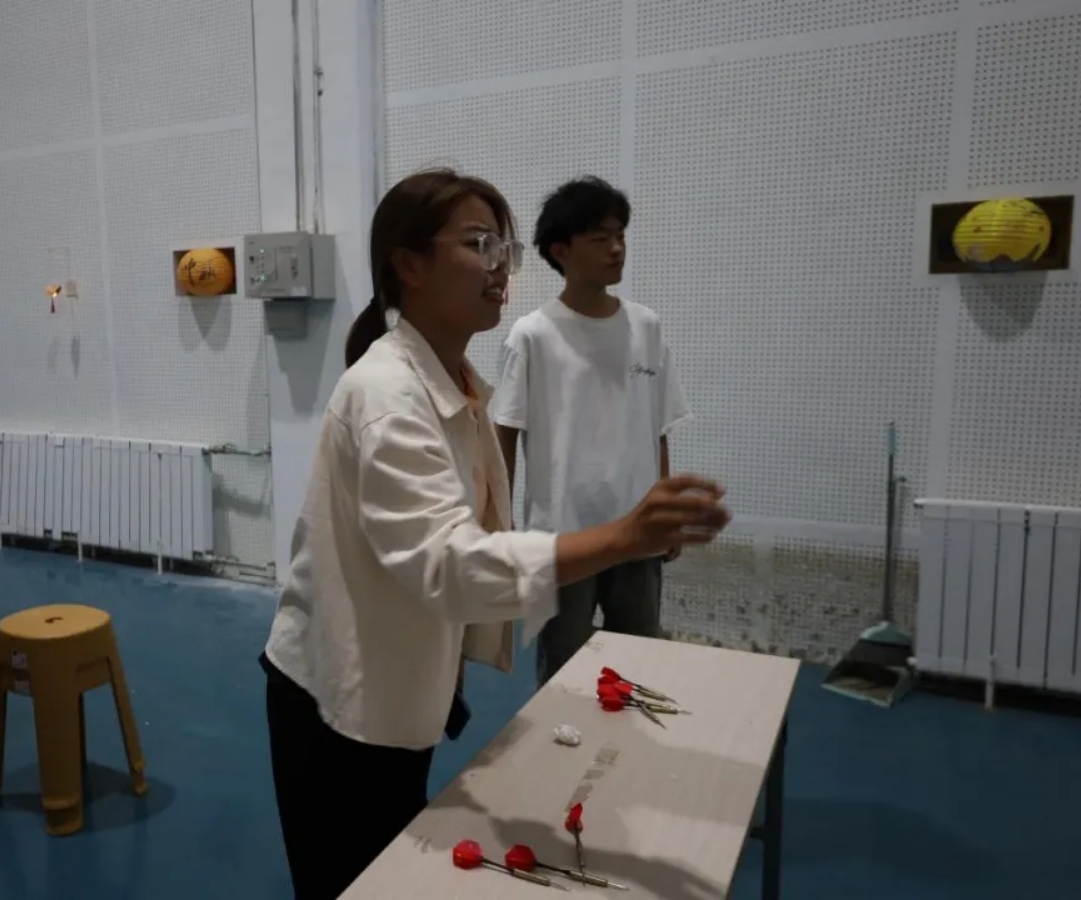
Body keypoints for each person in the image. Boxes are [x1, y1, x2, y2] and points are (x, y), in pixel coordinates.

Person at [260, 168, 730, 899]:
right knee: (350, 882)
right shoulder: (386, 395)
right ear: (410, 265)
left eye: (503, 247)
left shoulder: (459, 383)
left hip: (396, 682)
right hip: (336, 698)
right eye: (478, 244)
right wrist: (622, 538)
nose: (499, 265)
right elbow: (448, 565)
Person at [493, 176, 691, 687]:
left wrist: (665, 515)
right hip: (562, 537)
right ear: (561, 250)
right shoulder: (532, 335)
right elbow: (504, 436)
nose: (617, 248)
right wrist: (500, 526)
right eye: (601, 238)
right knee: (563, 674)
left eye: (621, 235)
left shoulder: (646, 327)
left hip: (637, 531)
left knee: (639, 665)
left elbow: (658, 427)